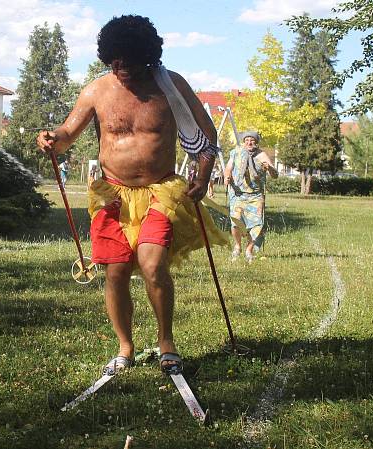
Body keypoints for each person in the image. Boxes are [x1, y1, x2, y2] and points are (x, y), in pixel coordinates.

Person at [36, 15, 227, 376]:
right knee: (116, 272)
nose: (120, 67)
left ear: (148, 56)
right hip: (113, 195)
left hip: (161, 192)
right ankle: (125, 347)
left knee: (154, 265)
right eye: (114, 59)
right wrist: (50, 139)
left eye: (128, 59)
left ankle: (166, 341)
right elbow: (67, 133)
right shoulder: (96, 90)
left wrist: (202, 178)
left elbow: (207, 136)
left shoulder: (171, 86)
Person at [223, 131, 278, 263]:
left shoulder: (262, 155)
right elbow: (228, 168)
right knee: (235, 221)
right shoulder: (236, 152)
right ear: (243, 142)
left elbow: (275, 175)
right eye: (247, 140)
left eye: (252, 140)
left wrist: (269, 169)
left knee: (256, 225)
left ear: (256, 142)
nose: (249, 142)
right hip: (238, 193)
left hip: (256, 195)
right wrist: (227, 176)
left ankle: (249, 250)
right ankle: (237, 246)